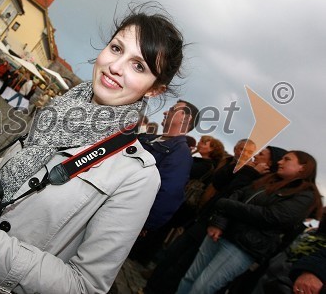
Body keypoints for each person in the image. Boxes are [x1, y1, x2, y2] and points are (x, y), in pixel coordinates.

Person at [0, 2, 188, 294]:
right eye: (116, 48)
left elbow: (84, 286)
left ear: (154, 88)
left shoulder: (138, 177)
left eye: (138, 65)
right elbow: (16, 170)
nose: (115, 67)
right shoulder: (58, 109)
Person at [142, 143, 286, 294]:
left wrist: (250, 173)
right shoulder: (247, 169)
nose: (255, 155)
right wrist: (238, 165)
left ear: (270, 164)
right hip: (205, 218)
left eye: (261, 154)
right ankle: (150, 287)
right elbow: (219, 181)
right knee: (173, 253)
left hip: (218, 228)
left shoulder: (261, 183)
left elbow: (233, 196)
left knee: (183, 265)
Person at [177, 150, 323, 294]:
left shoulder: (305, 195)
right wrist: (218, 223)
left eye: (287, 159)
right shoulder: (268, 180)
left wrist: (226, 205)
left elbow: (271, 217)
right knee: (189, 278)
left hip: (243, 247)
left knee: (202, 288)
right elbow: (237, 194)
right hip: (219, 233)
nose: (279, 162)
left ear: (303, 167)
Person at [128, 100, 199, 265]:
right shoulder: (148, 138)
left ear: (185, 120)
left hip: (126, 214)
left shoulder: (180, 155)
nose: (167, 112)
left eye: (174, 109)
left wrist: (145, 223)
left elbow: (170, 194)